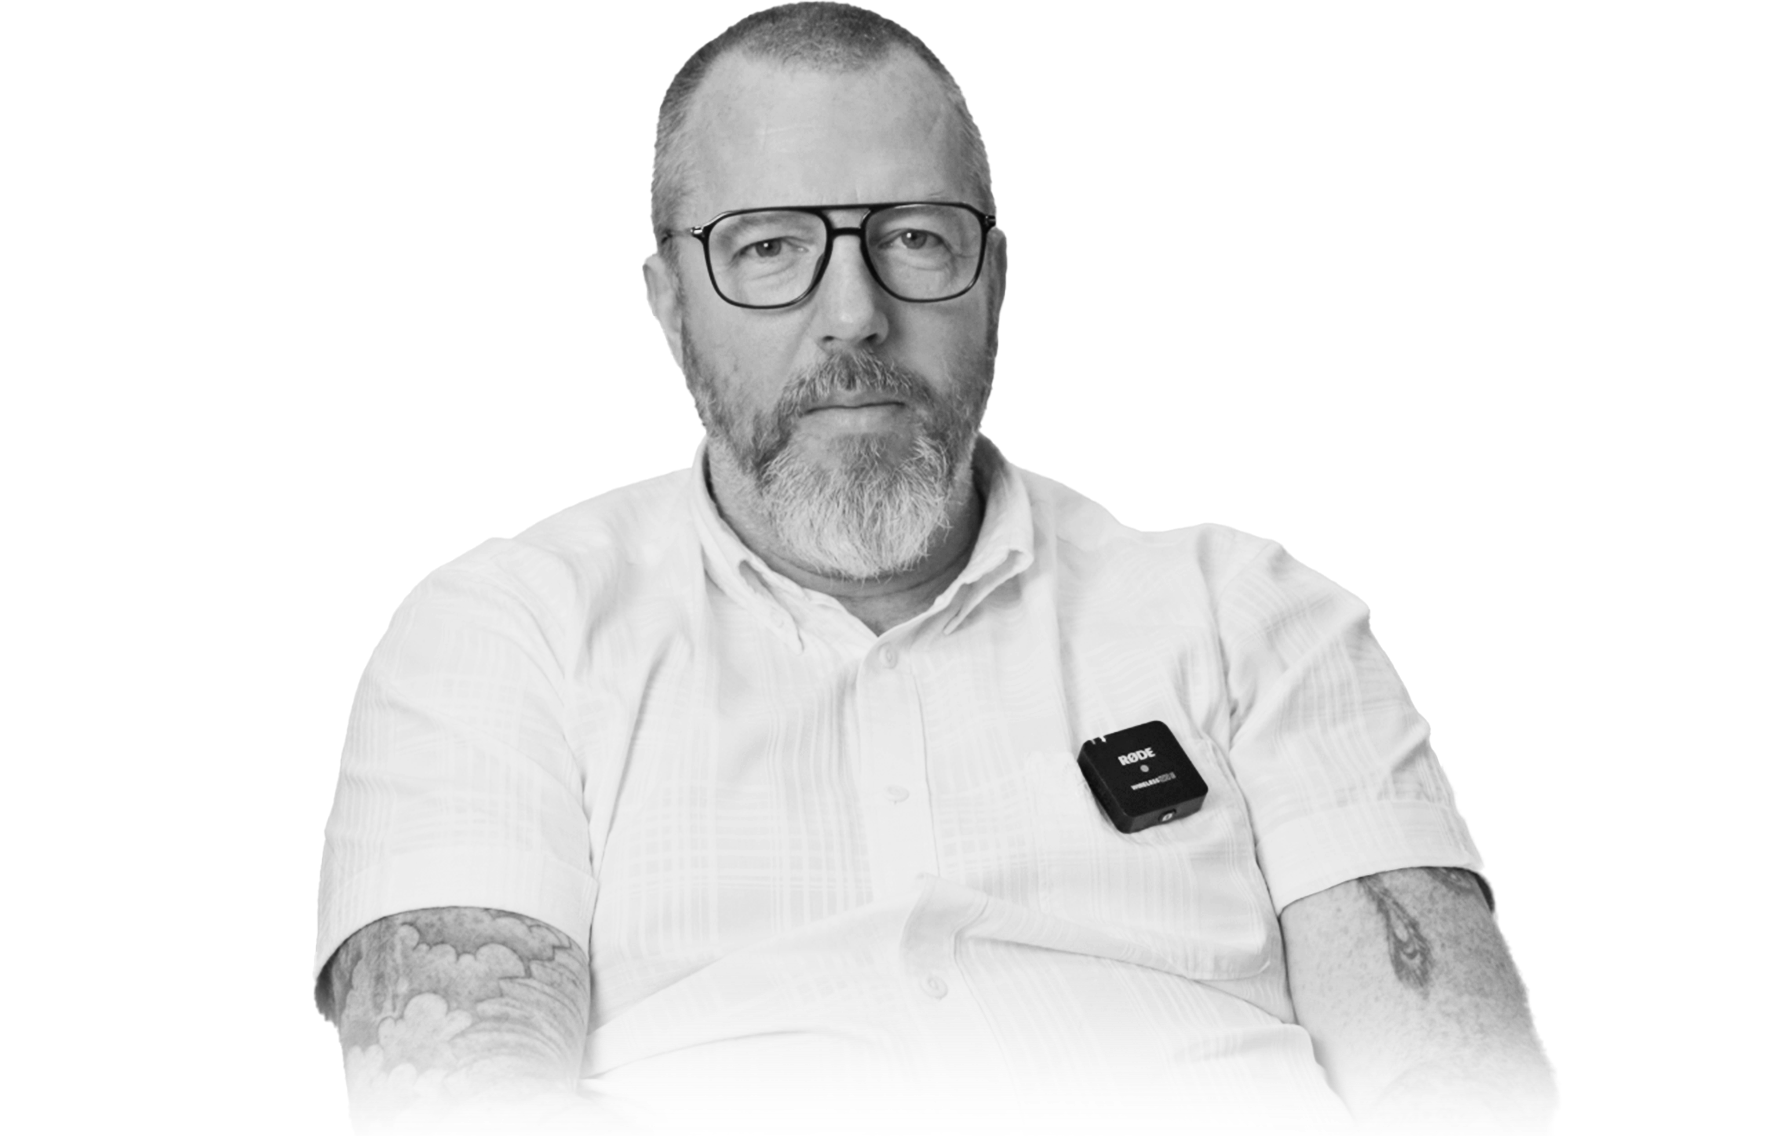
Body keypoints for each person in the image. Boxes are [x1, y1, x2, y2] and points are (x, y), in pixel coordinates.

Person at [312, 3, 1560, 1133]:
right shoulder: (503, 628)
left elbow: (1458, 1076)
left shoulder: (1250, 611)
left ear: (995, 282)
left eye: (911, 236)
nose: (853, 311)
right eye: (767, 246)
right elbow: (466, 1104)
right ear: (667, 302)